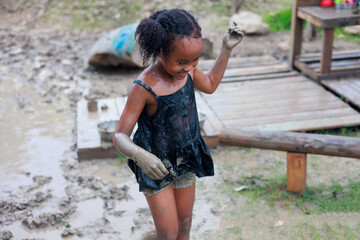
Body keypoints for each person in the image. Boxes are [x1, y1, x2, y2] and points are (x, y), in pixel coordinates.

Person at [113, 9, 243, 240]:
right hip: (155, 165)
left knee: (184, 227)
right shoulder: (144, 87)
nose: (189, 67)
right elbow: (119, 135)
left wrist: (226, 49)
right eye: (182, 62)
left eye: (195, 60)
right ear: (160, 52)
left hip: (186, 158)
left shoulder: (190, 71)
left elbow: (211, 84)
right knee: (168, 233)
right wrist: (141, 156)